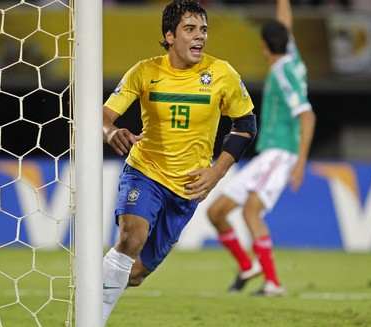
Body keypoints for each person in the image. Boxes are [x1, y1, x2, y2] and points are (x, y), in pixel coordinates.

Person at [101, 0, 256, 324]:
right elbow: (104, 115)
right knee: (131, 237)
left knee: (137, 273)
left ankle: (94, 291)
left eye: (203, 30)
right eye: (190, 29)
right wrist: (109, 130)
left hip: (188, 187)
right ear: (170, 35)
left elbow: (245, 126)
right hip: (145, 171)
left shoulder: (222, 73)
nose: (199, 36)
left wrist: (216, 172)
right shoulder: (146, 71)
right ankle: (91, 319)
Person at [207, 0, 316, 297]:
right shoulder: (291, 57)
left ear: (263, 45)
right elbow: (284, 22)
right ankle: (248, 267)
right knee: (217, 212)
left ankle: (273, 284)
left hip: (280, 153)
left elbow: (307, 115)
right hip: (270, 154)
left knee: (251, 212)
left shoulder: (284, 74)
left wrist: (300, 163)